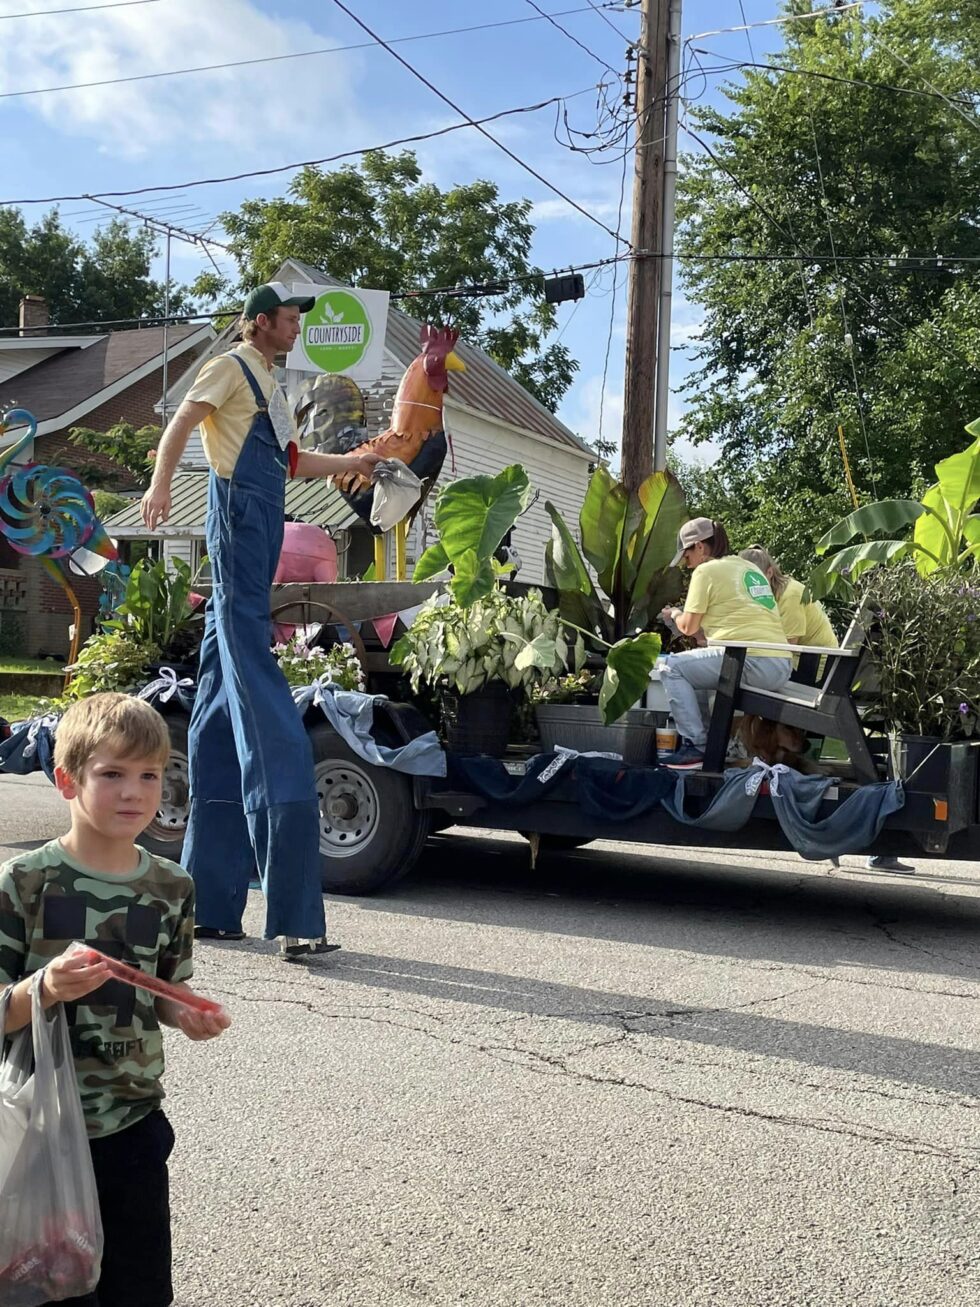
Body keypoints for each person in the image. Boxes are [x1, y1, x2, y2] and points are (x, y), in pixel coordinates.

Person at [140, 284, 381, 958]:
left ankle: (210, 906)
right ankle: (299, 916)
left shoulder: (273, 385)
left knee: (216, 714)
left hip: (260, 529)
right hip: (239, 527)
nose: (298, 327)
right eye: (290, 318)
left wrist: (357, 462)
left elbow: (294, 462)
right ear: (259, 323)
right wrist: (160, 484)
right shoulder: (230, 364)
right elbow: (182, 424)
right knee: (271, 717)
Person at [0, 693, 230, 1307]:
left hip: (131, 1121)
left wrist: (187, 1013)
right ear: (67, 781)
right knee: (48, 1288)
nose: (135, 792)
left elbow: (164, 990)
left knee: (140, 1288)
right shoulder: (27, 881)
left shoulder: (170, 886)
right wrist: (43, 987)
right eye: (113, 774)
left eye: (150, 775)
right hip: (38, 1130)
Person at [658, 517, 792, 769]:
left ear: (699, 546)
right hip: (780, 664)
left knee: (671, 667)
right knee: (694, 673)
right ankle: (711, 745)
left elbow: (688, 627)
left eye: (686, 557)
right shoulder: (749, 569)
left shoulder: (706, 571)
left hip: (750, 662)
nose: (687, 565)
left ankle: (695, 747)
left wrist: (674, 614)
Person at [738, 545, 838, 652]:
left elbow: (788, 647)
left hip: (814, 662)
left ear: (769, 573)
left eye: (754, 579)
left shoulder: (790, 595)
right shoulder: (765, 595)